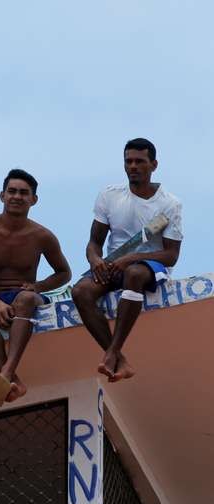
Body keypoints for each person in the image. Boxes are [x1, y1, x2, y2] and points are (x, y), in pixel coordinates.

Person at [71, 138, 183, 382]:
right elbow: (94, 242)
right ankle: (119, 358)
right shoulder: (109, 196)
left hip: (148, 266)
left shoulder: (169, 204)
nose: (132, 166)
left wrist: (133, 257)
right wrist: (94, 260)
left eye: (139, 161)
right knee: (80, 291)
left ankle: (111, 352)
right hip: (113, 264)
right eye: (128, 161)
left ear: (153, 165)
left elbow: (171, 255)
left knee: (134, 273)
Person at [0, 169, 71, 406]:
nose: (17, 196)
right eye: (12, 191)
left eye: (24, 193)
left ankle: (6, 373)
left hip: (25, 297)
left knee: (24, 298)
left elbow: (64, 273)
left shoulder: (43, 235)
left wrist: (38, 286)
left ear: (33, 200)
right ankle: (15, 381)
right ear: (2, 196)